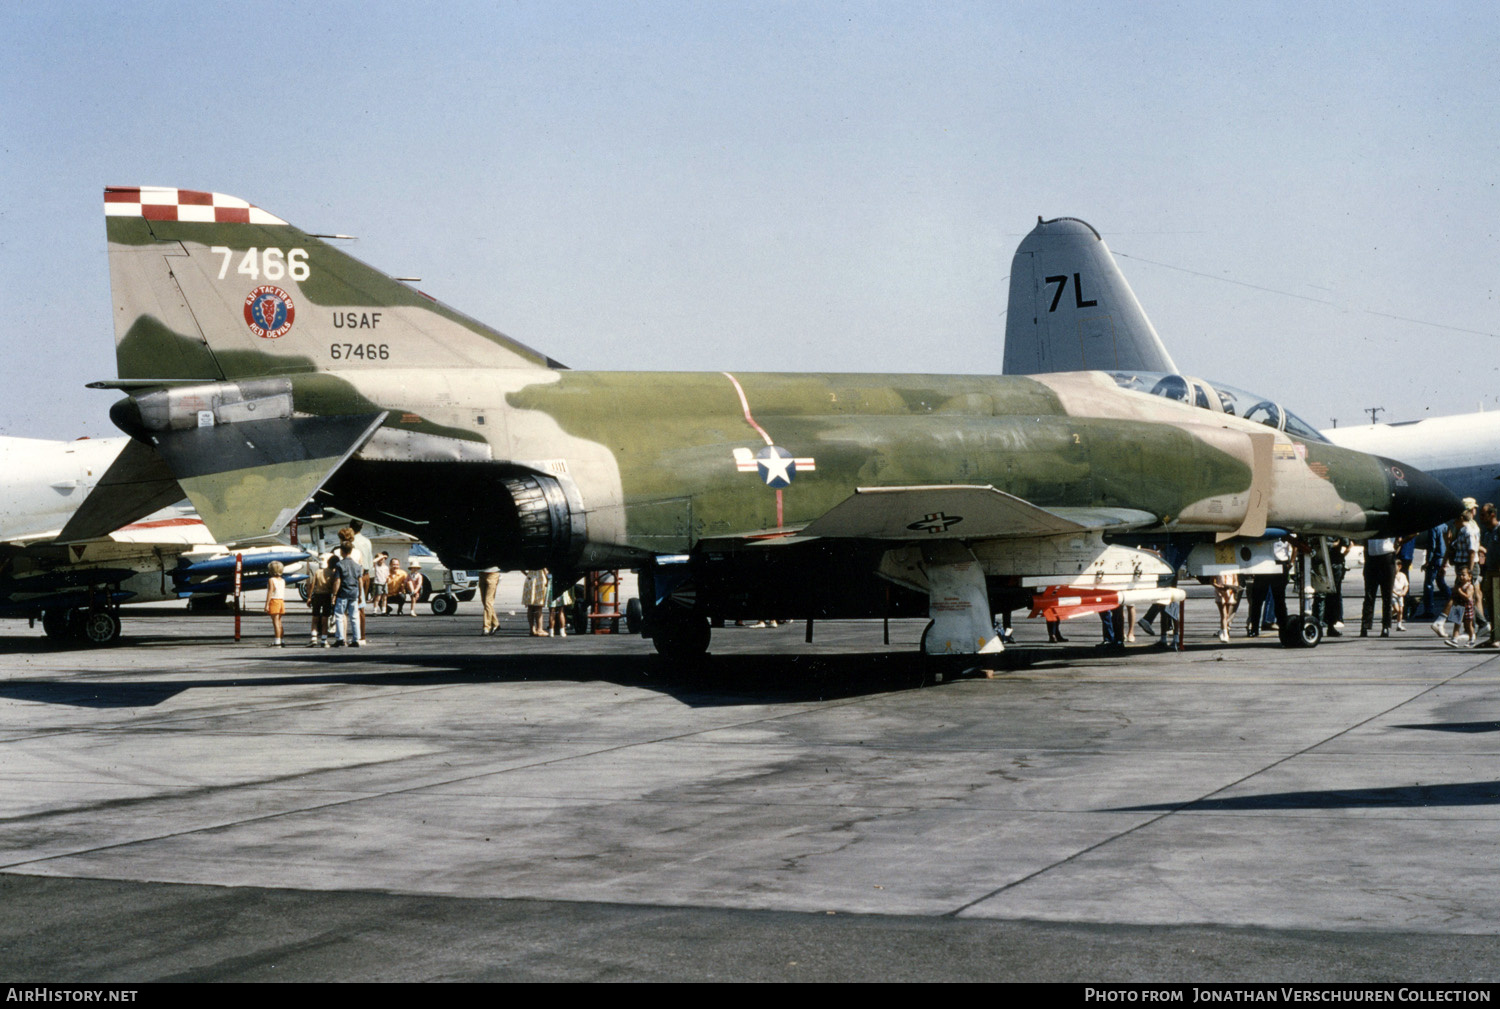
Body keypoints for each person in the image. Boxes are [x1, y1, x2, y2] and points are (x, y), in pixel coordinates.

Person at [1361, 536, 1397, 637]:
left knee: (1387, 595)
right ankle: (1365, 625)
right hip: (1371, 557)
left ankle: (1386, 626)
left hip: (1387, 556)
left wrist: (1397, 545)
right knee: (1369, 594)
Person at [329, 543, 363, 647]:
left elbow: (337, 581)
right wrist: (360, 594)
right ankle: (356, 638)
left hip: (343, 592)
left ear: (341, 551)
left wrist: (334, 594)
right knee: (354, 616)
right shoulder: (357, 566)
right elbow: (360, 581)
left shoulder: (339, 565)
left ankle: (340, 638)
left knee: (339, 615)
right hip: (353, 592)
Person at [1480, 503, 1500, 649]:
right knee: (1492, 607)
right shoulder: (1487, 533)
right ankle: (1493, 637)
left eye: (1483, 515)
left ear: (1492, 515)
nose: (1481, 518)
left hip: (1498, 573)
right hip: (1490, 573)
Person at [307, 554, 336, 646]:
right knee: (325, 618)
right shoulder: (332, 573)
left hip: (317, 595)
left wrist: (309, 597)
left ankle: (313, 637)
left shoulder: (317, 572)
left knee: (315, 617)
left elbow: (313, 585)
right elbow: (333, 586)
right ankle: (324, 639)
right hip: (327, 596)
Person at [264, 560, 286, 646]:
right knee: (279, 622)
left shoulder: (271, 580)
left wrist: (266, 604)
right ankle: (282, 639)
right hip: (281, 601)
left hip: (274, 600)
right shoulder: (282, 580)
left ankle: (277, 641)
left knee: (275, 622)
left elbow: (270, 592)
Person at [1213, 572, 1239, 643]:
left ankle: (1222, 630)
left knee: (1227, 615)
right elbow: (1212, 581)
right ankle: (1225, 633)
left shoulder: (1232, 570)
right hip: (1220, 593)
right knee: (1223, 614)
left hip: (1229, 593)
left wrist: (1234, 589)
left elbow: (1235, 580)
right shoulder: (1216, 569)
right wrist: (1219, 587)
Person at [522, 569, 550, 636]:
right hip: (540, 578)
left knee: (530, 606)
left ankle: (532, 629)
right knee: (538, 606)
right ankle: (539, 629)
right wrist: (548, 577)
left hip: (530, 578)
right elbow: (544, 568)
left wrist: (527, 573)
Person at [478, 566, 501, 635]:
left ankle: (486, 627)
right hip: (481, 572)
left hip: (492, 573)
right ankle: (495, 623)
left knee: (488, 602)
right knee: (484, 601)